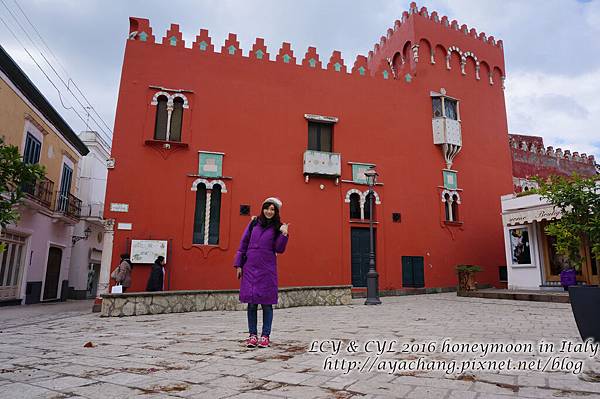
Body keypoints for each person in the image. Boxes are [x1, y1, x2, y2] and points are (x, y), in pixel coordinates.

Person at [234, 197, 289, 348]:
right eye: (267, 208)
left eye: (272, 209)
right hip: (250, 267)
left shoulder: (278, 227)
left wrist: (284, 235)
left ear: (276, 212)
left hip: (267, 269)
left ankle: (265, 336)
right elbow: (243, 243)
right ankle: (252, 335)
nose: (269, 211)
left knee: (267, 304)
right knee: (251, 304)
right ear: (263, 209)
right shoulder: (253, 223)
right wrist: (239, 265)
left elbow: (279, 249)